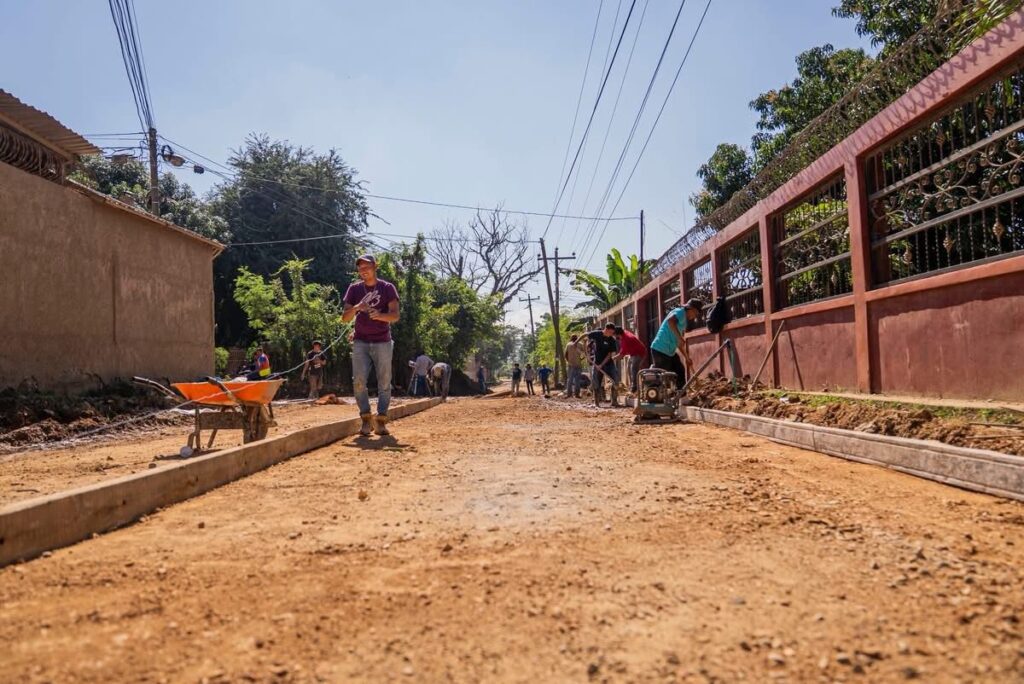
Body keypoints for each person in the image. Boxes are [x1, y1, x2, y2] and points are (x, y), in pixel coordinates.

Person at [342, 254, 401, 436]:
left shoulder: (387, 288)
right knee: (358, 381)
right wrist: (356, 307)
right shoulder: (354, 289)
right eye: (360, 268)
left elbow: (395, 316)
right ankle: (366, 418)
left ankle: (381, 420)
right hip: (360, 341)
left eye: (367, 267)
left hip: (383, 341)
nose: (363, 271)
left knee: (384, 382)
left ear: (375, 267)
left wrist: (380, 316)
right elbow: (345, 318)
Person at [650, 298, 702, 382]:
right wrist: (679, 337)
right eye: (696, 313)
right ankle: (651, 384)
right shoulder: (681, 312)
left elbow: (679, 344)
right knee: (662, 377)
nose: (695, 316)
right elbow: (670, 321)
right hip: (661, 349)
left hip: (669, 351)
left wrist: (687, 358)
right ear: (691, 309)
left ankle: (681, 390)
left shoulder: (683, 320)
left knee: (679, 370)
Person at [587, 323, 620, 407]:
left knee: (615, 379)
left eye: (613, 332)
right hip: (597, 362)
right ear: (606, 329)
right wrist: (587, 354)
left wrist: (601, 365)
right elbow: (586, 336)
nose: (612, 334)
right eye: (611, 332)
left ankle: (614, 401)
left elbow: (609, 355)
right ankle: (596, 402)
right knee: (596, 381)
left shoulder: (612, 340)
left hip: (608, 363)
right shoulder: (597, 334)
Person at [613, 326, 648, 395]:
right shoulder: (624, 333)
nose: (614, 336)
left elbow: (621, 356)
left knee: (634, 370)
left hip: (639, 353)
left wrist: (612, 358)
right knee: (629, 368)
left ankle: (635, 388)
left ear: (618, 334)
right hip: (633, 354)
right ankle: (633, 385)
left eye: (614, 335)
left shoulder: (626, 340)